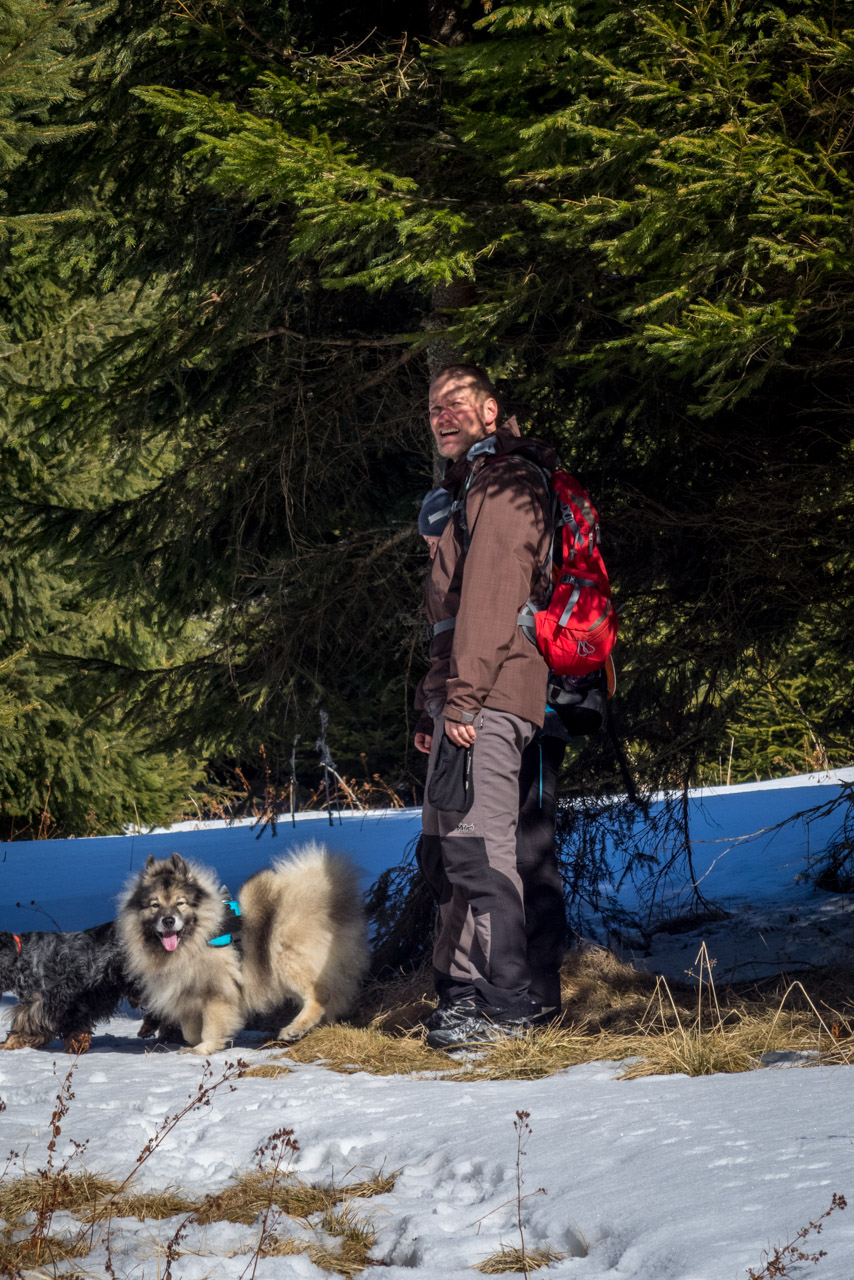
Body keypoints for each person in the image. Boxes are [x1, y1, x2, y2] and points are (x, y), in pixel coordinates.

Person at [413, 364, 567, 1051]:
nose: (443, 414)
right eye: (434, 407)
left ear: (490, 409)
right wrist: (433, 705)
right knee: (449, 851)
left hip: (492, 696)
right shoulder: (468, 487)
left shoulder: (503, 481)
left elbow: (491, 599)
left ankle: (506, 1003)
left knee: (479, 850)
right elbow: (450, 617)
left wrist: (464, 700)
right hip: (466, 698)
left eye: (457, 403)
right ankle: (466, 993)